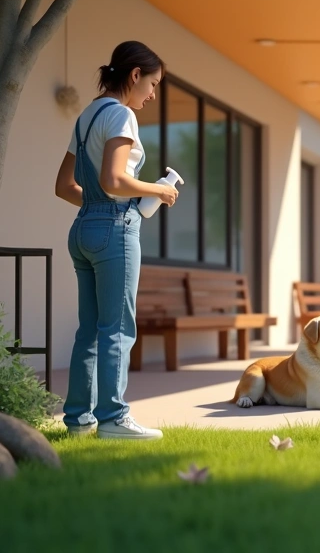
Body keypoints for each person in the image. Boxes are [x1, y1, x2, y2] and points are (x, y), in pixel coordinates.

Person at [53, 41, 177, 440]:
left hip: (82, 227)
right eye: (152, 84)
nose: (152, 94)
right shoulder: (122, 114)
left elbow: (63, 186)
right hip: (115, 230)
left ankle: (78, 420)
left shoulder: (86, 116)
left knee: (89, 329)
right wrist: (158, 191)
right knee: (118, 328)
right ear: (135, 75)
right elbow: (114, 180)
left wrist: (99, 204)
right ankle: (113, 419)